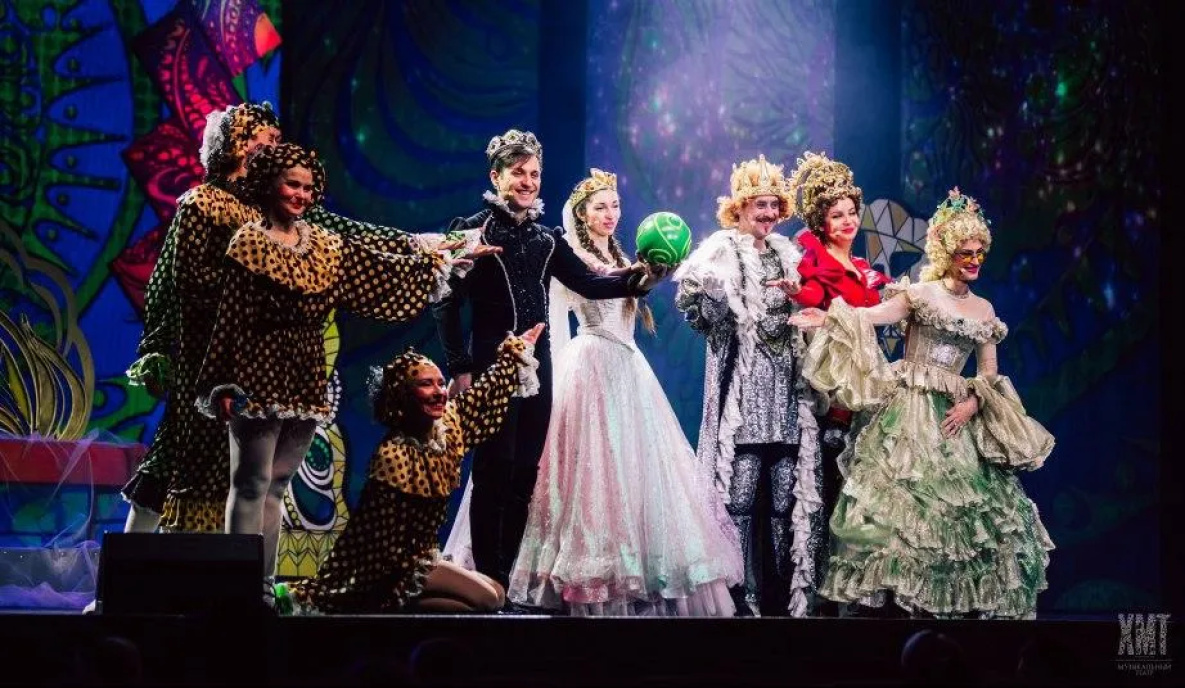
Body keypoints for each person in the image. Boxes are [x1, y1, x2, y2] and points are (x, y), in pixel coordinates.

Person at [121, 102, 470, 538]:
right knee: (181, 456)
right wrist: (158, 346)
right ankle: (128, 566)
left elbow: (355, 237)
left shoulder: (283, 209)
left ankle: (227, 570)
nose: (273, 147)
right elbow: (171, 284)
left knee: (249, 476)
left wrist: (429, 246)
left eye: (276, 141)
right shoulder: (203, 204)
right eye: (263, 140)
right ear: (236, 143)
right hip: (211, 351)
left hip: (270, 362)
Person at [193, 143, 467, 607]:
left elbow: (379, 273)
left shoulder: (324, 244)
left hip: (305, 373)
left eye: (307, 187)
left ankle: (262, 587)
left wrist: (435, 262)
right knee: (251, 482)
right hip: (256, 370)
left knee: (278, 485)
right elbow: (230, 318)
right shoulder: (248, 243)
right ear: (269, 185)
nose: (300, 195)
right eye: (291, 184)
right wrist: (221, 381)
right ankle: (236, 587)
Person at [485, 168, 742, 616]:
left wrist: (651, 276)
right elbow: (575, 300)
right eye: (600, 206)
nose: (610, 213)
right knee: (593, 471)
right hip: (591, 364)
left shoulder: (625, 254)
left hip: (628, 367)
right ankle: (582, 575)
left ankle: (637, 572)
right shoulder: (571, 254)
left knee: (636, 470)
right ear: (582, 214)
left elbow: (629, 286)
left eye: (615, 205)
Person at [791, 187, 1056, 619]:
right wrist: (828, 316)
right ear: (947, 253)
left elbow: (989, 370)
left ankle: (946, 608)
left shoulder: (984, 309)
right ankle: (893, 611)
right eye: (966, 253)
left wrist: (973, 402)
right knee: (900, 503)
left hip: (954, 415)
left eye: (979, 253)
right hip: (909, 409)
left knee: (960, 509)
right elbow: (872, 316)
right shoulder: (921, 294)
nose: (974, 260)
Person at [432, 130, 667, 594]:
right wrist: (460, 367)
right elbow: (445, 302)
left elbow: (589, 283)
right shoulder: (473, 231)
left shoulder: (545, 239)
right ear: (496, 176)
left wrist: (641, 279)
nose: (528, 182)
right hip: (492, 369)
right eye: (517, 173)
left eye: (534, 174)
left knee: (525, 472)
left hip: (537, 371)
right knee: (494, 470)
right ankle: (486, 580)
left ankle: (502, 582)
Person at [280, 325, 545, 614]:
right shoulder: (394, 455)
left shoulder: (448, 426)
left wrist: (514, 353)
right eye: (426, 384)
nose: (439, 393)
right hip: (394, 566)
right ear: (403, 394)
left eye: (440, 383)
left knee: (498, 591)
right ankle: (384, 600)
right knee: (488, 599)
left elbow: (484, 394)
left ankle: (396, 603)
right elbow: (370, 533)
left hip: (424, 557)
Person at [672, 154, 823, 617]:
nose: (769, 214)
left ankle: (778, 595)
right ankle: (741, 592)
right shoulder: (720, 251)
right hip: (744, 392)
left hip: (786, 391)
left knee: (783, 498)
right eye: (760, 205)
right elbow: (701, 316)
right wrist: (717, 297)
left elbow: (809, 307)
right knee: (738, 495)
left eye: (775, 205)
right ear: (738, 207)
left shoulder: (787, 254)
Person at [784, 151, 890, 615]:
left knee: (867, 488)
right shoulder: (818, 261)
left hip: (869, 378)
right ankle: (825, 594)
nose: (847, 222)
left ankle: (863, 590)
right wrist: (805, 301)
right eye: (836, 215)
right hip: (836, 383)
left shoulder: (862, 265)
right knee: (833, 483)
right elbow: (811, 297)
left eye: (851, 213)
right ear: (821, 223)